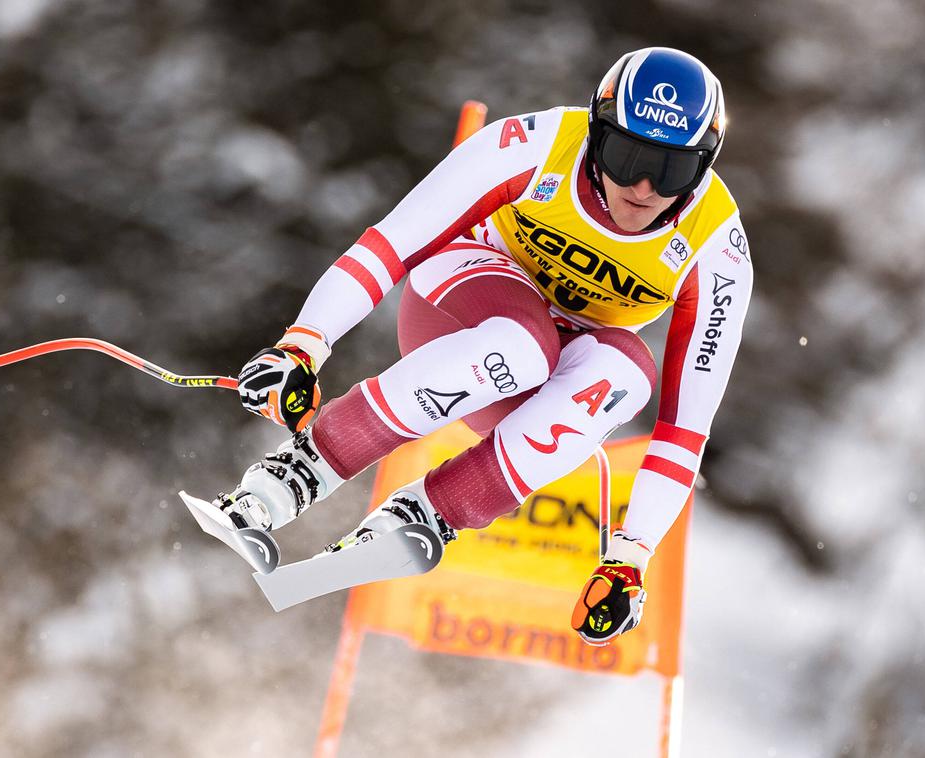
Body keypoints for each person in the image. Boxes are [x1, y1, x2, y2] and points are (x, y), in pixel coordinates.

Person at [193, 47, 752, 646]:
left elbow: (684, 429)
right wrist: (304, 344)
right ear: (597, 132)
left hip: (544, 380)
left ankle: (429, 513)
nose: (642, 187)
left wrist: (630, 558)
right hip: (458, 301)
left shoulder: (715, 248)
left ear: (704, 166)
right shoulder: (539, 146)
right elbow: (391, 246)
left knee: (627, 376)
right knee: (525, 342)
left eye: (671, 170)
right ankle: (287, 480)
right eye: (626, 155)